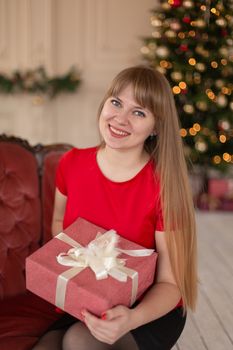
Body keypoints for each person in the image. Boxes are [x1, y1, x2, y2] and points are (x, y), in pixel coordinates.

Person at [33, 65, 197, 350]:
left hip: (147, 309)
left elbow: (172, 284)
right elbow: (59, 223)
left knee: (78, 341)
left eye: (139, 112)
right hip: (87, 297)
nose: (120, 119)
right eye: (116, 102)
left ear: (156, 126)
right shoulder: (71, 164)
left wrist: (131, 319)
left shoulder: (163, 187)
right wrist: (78, 283)